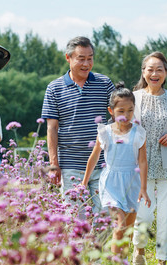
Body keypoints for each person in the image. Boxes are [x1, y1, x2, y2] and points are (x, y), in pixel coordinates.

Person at [41, 36, 115, 220]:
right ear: (68, 58)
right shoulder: (54, 88)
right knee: (75, 219)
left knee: (105, 217)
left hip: (102, 164)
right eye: (81, 58)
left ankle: (100, 249)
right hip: (70, 166)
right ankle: (79, 249)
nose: (86, 63)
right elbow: (51, 129)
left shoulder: (105, 83)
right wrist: (53, 165)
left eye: (90, 58)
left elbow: (120, 116)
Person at [131, 51, 167, 265]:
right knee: (143, 215)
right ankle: (139, 252)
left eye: (159, 70)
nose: (154, 73)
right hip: (139, 166)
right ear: (143, 72)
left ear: (165, 74)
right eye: (150, 69)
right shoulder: (133, 98)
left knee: (165, 216)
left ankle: (162, 263)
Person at [81, 82, 151, 257]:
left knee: (128, 228)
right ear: (111, 111)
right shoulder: (105, 132)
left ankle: (123, 263)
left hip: (132, 184)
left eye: (130, 110)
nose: (125, 115)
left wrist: (143, 188)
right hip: (111, 183)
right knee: (119, 225)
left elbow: (142, 162)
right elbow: (94, 157)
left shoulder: (139, 132)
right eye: (121, 111)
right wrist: (84, 182)